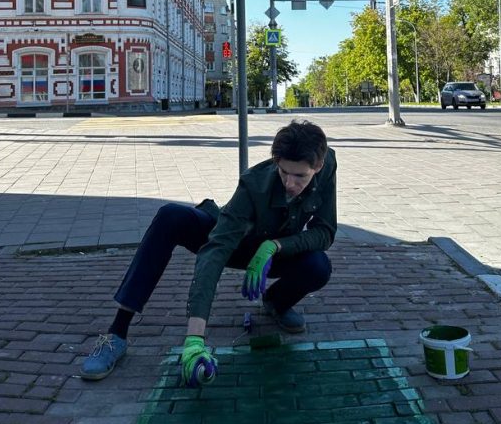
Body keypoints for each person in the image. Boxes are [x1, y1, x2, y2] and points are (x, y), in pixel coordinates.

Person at [80, 119, 337, 384]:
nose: (289, 183)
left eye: (300, 176)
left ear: (317, 167)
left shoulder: (327, 164)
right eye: (283, 172)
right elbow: (215, 251)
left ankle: (277, 304)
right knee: (170, 216)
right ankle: (116, 334)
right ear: (276, 162)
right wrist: (195, 337)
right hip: (235, 240)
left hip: (275, 252)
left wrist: (275, 246)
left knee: (319, 266)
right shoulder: (254, 185)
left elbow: (325, 231)